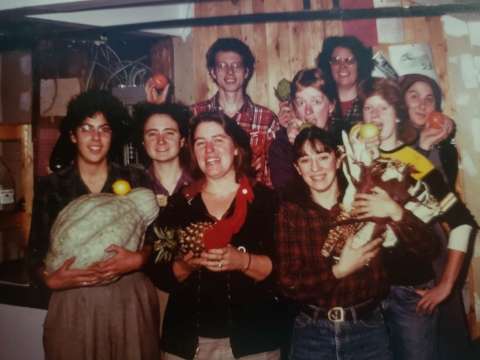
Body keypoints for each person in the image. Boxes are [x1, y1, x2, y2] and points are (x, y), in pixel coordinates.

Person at [275, 126, 437, 360]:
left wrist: (396, 212)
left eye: (323, 157)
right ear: (297, 169)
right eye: (305, 160)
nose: (316, 167)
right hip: (312, 332)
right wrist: (339, 271)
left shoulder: (366, 199)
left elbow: (429, 248)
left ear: (338, 160)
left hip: (367, 331)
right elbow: (287, 283)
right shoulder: (291, 213)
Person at [27, 90, 160, 360]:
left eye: (104, 129)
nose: (96, 138)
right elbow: (34, 255)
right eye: (87, 129)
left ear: (114, 136)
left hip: (129, 299)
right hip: (73, 299)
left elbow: (154, 242)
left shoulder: (136, 179)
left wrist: (139, 260)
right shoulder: (52, 186)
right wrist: (50, 280)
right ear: (73, 135)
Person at [147, 110, 285, 360]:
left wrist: (242, 261)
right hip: (188, 344)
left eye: (218, 140)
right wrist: (185, 265)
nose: (209, 150)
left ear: (235, 147)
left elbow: (284, 271)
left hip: (255, 342)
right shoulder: (180, 204)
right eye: (201, 142)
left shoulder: (266, 201)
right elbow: (158, 272)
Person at [357, 77, 478, 360]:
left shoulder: (417, 162)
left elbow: (462, 221)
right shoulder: (354, 155)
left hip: (408, 296)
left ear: (398, 114)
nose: (374, 116)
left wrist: (446, 285)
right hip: (364, 297)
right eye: (368, 108)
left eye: (383, 108)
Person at [145, 38, 279, 187]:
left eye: (236, 65)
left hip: (254, 202)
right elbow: (174, 157)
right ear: (212, 72)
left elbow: (274, 171)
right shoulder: (193, 114)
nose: (230, 72)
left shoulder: (266, 118)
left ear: (246, 71)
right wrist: (158, 109)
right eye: (222, 66)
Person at [269, 68, 338, 191]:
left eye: (316, 102)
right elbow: (287, 197)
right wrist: (296, 146)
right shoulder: (282, 147)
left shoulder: (344, 139)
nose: (308, 111)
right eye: (301, 103)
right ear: (294, 108)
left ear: (331, 105)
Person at [399, 74, 457, 188]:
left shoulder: (446, 149)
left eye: (429, 99)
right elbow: (404, 190)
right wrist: (423, 147)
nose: (422, 105)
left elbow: (443, 194)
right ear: (402, 101)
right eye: (415, 97)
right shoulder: (392, 141)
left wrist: (442, 144)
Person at [132, 101, 193, 196]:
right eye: (152, 134)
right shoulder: (135, 187)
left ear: (181, 141)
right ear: (143, 143)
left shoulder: (200, 182)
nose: (161, 141)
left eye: (169, 133)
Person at [316, 35, 373, 133]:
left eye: (350, 61)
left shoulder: (370, 101)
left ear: (360, 65)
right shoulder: (320, 104)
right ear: (328, 66)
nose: (342, 66)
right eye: (336, 61)